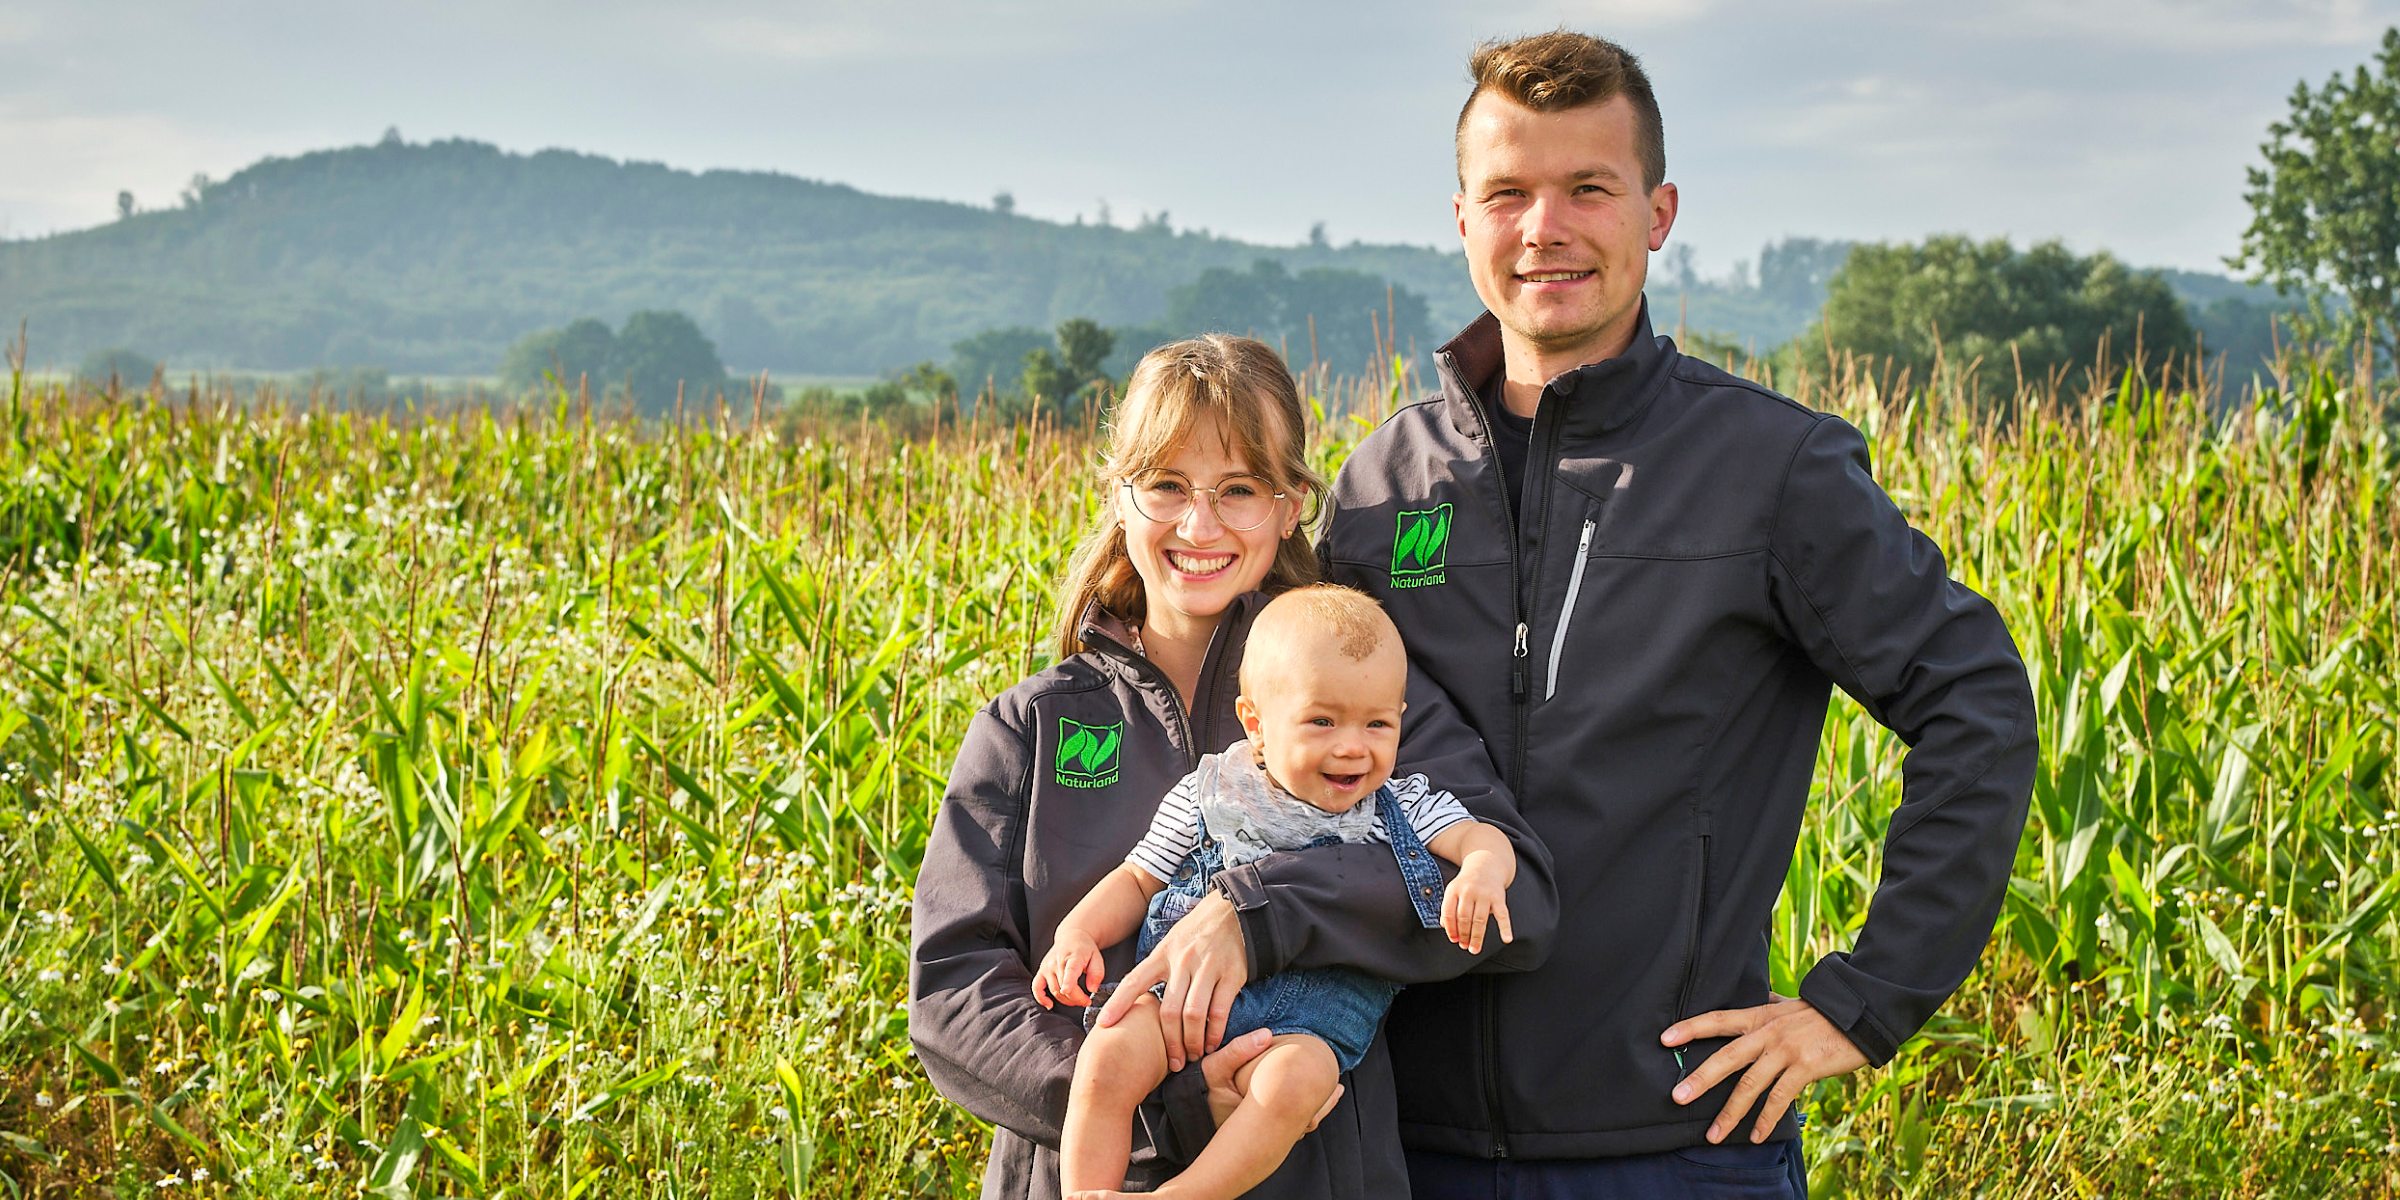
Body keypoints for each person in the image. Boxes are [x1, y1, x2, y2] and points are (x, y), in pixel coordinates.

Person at [1296, 31, 2038, 1196]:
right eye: (1509, 193)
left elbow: (1976, 699)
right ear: (1461, 218)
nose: (1546, 227)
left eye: (1589, 187)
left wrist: (1864, 1001)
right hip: (1399, 1150)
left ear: (1657, 212)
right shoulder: (1383, 486)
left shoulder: (1768, 467)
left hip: (1678, 1148)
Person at [909, 335, 1558, 1199]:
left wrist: (1258, 916)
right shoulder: (1029, 726)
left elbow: (1517, 901)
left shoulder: (1369, 704)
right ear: (1121, 496)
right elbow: (954, 992)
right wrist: (1165, 1101)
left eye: (1239, 490)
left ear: (1292, 505)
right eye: (1167, 486)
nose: (1198, 525)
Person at [1035, 585, 1518, 1200]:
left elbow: (1484, 837)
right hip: (1180, 1002)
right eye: (1322, 721)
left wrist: (1478, 871)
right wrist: (1078, 932)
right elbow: (1136, 877)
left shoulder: (1403, 804)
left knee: (1298, 1085)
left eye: (1378, 723)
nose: (1352, 745)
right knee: (1105, 1056)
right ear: (1256, 724)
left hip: (1307, 1025)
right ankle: (1084, 1192)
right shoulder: (1208, 795)